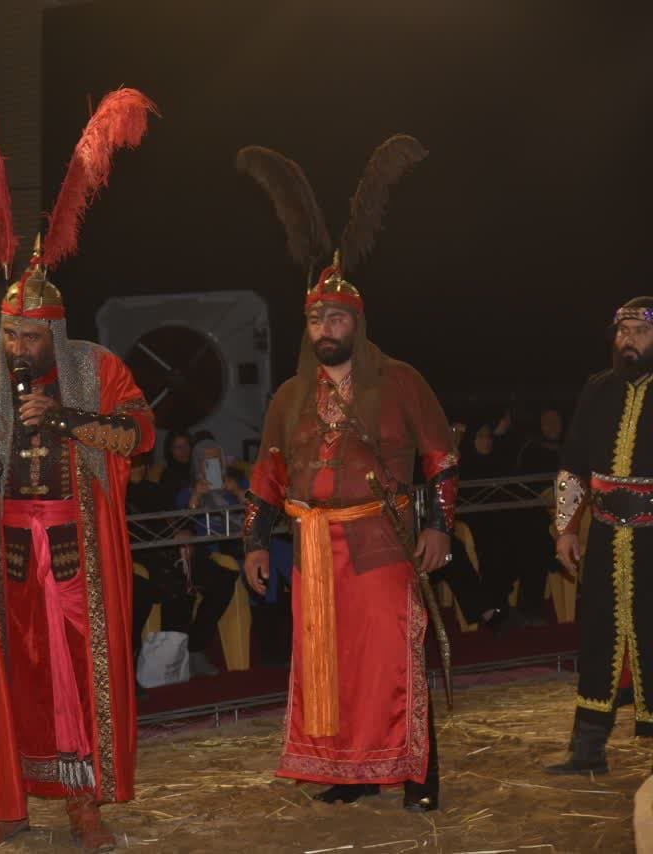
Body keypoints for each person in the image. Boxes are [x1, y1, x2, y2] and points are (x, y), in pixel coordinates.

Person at [0, 72, 156, 851]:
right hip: (5, 551)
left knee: (78, 676)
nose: (16, 347)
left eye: (29, 336)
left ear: (55, 332)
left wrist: (71, 421)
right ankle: (7, 806)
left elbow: (140, 433)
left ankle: (84, 806)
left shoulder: (96, 369)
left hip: (78, 550)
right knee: (10, 679)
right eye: (9, 333)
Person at [238, 135, 454, 811]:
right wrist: (253, 543)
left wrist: (439, 528)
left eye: (335, 317)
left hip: (381, 541)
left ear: (356, 323)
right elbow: (267, 476)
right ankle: (345, 772)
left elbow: (440, 458)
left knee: (392, 659)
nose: (324, 328)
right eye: (315, 319)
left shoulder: (400, 381)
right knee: (328, 665)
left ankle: (416, 775)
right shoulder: (289, 397)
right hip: (312, 548)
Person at [547, 297, 653, 774]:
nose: (628, 340)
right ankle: (587, 750)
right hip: (607, 537)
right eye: (622, 331)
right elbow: (573, 464)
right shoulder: (597, 389)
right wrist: (566, 528)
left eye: (639, 332)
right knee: (597, 636)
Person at [150, 527, 236, 678]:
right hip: (158, 557)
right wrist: (170, 539)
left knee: (223, 583)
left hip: (191, 555)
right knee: (177, 588)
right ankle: (177, 656)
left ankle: (196, 647)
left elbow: (189, 521)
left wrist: (187, 534)